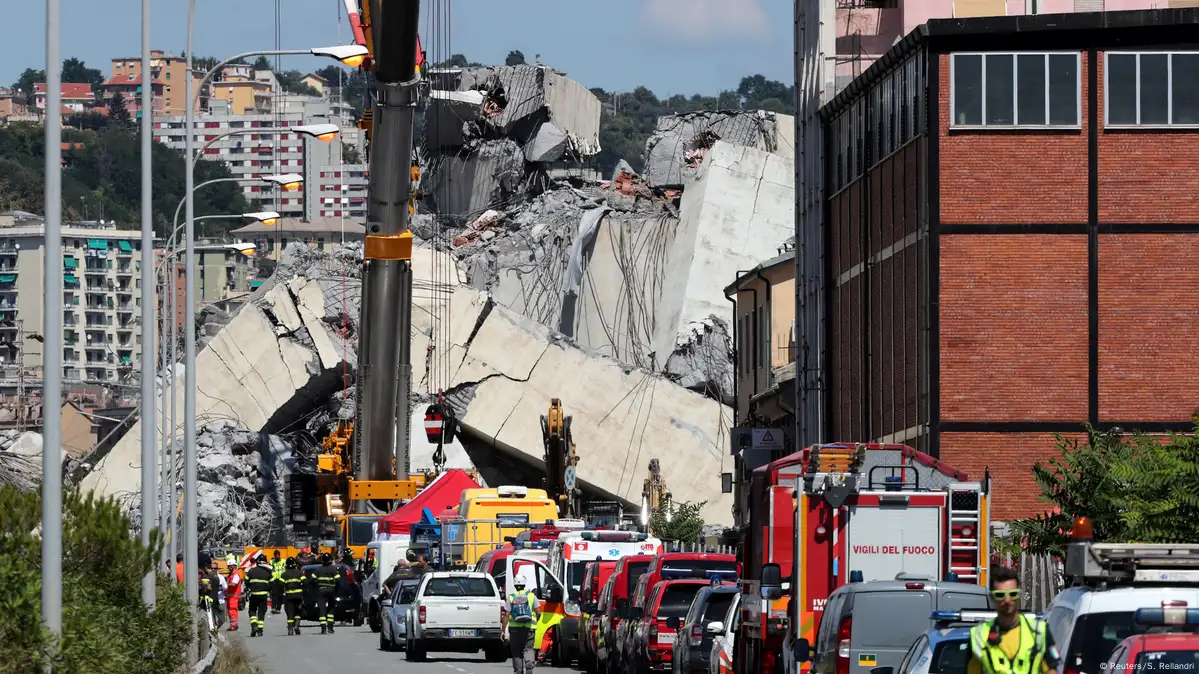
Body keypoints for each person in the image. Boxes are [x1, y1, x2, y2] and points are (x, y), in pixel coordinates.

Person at [967, 566, 1059, 674]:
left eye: (1013, 594)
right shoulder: (978, 636)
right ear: (992, 597)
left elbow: (1051, 670)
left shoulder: (1039, 632)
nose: (1007, 600)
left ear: (1019, 595)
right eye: (1000, 595)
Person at [503, 577, 540, 674]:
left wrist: (503, 631)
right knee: (529, 648)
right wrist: (535, 622)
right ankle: (529, 666)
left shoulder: (511, 597)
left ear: (515, 585)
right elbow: (538, 612)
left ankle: (518, 671)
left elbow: (506, 615)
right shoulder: (531, 596)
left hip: (514, 629)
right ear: (524, 584)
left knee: (516, 652)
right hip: (529, 629)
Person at [245, 556, 274, 637]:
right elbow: (272, 584)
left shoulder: (251, 571)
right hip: (263, 595)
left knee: (252, 610)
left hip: (253, 595)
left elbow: (246, 581)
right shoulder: (268, 572)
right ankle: (260, 630)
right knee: (262, 611)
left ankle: (254, 625)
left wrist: (249, 588)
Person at [313, 553, 342, 634]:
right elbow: (338, 580)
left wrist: (317, 586)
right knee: (331, 608)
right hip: (331, 591)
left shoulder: (318, 570)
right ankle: (330, 627)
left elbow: (312, 580)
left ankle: (323, 628)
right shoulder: (333, 569)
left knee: (322, 609)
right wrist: (336, 589)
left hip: (321, 591)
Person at [281, 557, 305, 636]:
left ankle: (290, 630)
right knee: (298, 611)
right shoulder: (299, 573)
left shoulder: (284, 574)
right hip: (298, 596)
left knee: (290, 612)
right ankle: (296, 625)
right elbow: (305, 582)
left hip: (289, 596)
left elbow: (280, 585)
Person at [225, 561, 243, 631]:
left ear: (232, 566)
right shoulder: (231, 574)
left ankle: (234, 625)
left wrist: (226, 584)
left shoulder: (236, 574)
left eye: (229, 566)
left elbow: (234, 584)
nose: (228, 568)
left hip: (234, 596)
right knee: (230, 611)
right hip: (231, 596)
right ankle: (233, 624)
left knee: (232, 611)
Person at [270, 551, 285, 615]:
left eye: (278, 555)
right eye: (275, 556)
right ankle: (273, 607)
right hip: (274, 580)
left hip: (281, 580)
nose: (277, 557)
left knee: (280, 595)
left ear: (279, 555)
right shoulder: (271, 562)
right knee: (274, 594)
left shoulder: (283, 561)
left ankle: (278, 608)